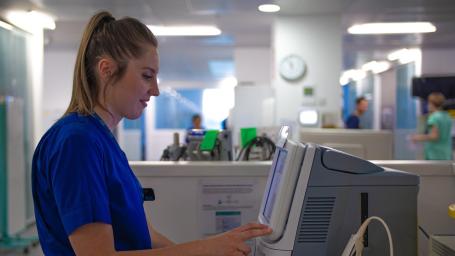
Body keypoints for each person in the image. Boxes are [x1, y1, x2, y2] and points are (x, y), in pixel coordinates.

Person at [32, 11, 271, 255]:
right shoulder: (77, 142)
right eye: (147, 76)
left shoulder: (101, 140)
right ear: (106, 70)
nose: (155, 90)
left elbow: (149, 237)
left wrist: (211, 250)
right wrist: (206, 248)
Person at [411, 92, 453, 160]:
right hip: (446, 153)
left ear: (431, 103)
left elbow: (434, 136)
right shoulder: (447, 116)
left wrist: (417, 138)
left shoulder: (434, 117)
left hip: (435, 155)